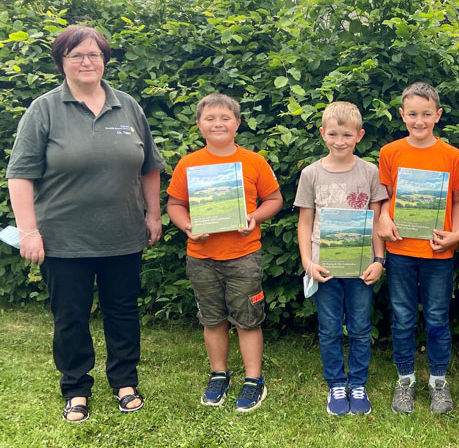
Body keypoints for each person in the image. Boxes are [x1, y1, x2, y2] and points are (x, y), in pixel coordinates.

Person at [7, 24, 165, 422]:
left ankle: (125, 381)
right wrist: (29, 230)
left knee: (123, 310)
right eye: (76, 55)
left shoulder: (127, 106)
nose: (86, 61)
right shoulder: (43, 109)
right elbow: (20, 174)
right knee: (71, 315)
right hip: (64, 238)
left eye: (94, 54)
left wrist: (152, 213)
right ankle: (76, 388)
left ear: (105, 61)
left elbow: (149, 166)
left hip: (123, 233)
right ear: (62, 61)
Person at [166, 93, 282, 412]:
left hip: (243, 254)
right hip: (201, 256)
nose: (218, 123)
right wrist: (188, 226)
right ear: (199, 125)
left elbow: (274, 200)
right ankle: (219, 375)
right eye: (210, 118)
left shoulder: (253, 161)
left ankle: (253, 380)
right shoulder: (188, 163)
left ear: (238, 123)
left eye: (225, 118)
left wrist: (254, 218)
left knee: (248, 320)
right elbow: (174, 205)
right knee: (213, 319)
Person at [377, 82, 459, 414]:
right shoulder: (390, 152)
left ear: (438, 115)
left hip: (437, 252)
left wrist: (456, 232)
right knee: (402, 318)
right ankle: (405, 381)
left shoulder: (452, 155)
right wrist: (383, 219)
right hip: (400, 250)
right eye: (412, 114)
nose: (419, 120)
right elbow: (383, 197)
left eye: (426, 114)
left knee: (437, 318)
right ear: (402, 115)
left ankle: (438, 383)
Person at [294, 101, 388, 415]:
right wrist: (308, 262)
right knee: (330, 328)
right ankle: (336, 383)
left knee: (360, 328)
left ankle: (357, 384)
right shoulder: (311, 174)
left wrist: (379, 259)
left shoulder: (370, 171)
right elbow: (305, 222)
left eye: (346, 135)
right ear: (322, 133)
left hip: (361, 267)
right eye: (333, 134)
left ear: (359, 135)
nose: (339, 141)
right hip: (324, 266)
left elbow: (376, 220)